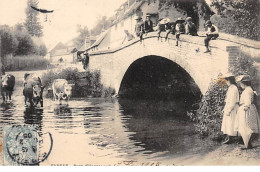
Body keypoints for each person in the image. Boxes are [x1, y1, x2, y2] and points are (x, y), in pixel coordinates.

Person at [235, 75, 260, 149]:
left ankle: (247, 144)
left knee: (245, 126)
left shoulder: (247, 91)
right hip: (250, 108)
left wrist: (245, 108)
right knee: (247, 127)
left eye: (240, 83)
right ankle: (247, 143)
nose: (240, 85)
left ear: (244, 83)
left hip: (247, 109)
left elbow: (248, 102)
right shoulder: (250, 90)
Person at [221, 73, 240, 144]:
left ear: (230, 80)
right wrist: (225, 108)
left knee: (232, 122)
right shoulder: (230, 88)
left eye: (227, 80)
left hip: (233, 108)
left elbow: (232, 101)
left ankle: (234, 138)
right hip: (229, 106)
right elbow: (227, 99)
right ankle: (229, 138)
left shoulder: (234, 88)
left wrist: (229, 109)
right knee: (228, 123)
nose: (226, 82)